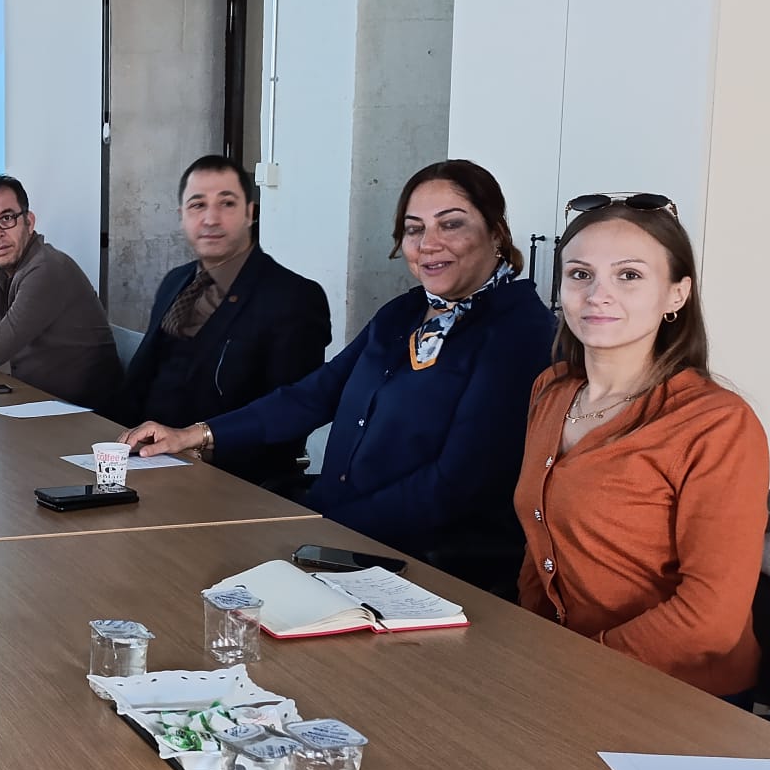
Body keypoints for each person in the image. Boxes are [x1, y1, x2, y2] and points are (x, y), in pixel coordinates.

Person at [120, 160, 552, 585]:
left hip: (418, 565)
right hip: (336, 536)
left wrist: (321, 527)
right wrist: (195, 434)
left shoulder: (519, 333)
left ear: (496, 232)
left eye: (451, 224)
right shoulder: (403, 312)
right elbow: (315, 394)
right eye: (414, 228)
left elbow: (455, 486)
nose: (428, 244)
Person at [515, 194, 765, 697]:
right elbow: (538, 552)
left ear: (676, 295)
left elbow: (711, 621)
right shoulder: (553, 389)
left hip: (679, 695)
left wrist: (572, 669)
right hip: (562, 673)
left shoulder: (716, 423)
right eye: (580, 274)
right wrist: (528, 652)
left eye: (628, 275)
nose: (597, 295)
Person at [110, 155, 331, 485]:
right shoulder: (176, 281)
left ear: (250, 213)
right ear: (182, 216)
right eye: (197, 205)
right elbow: (142, 381)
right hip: (145, 462)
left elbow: (292, 417)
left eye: (227, 203)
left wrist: (200, 449)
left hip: (229, 478)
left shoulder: (293, 297)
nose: (211, 219)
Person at [0, 173, 120, 410]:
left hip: (86, 417)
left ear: (29, 221)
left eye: (7, 218)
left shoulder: (47, 269)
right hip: (34, 403)